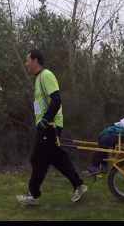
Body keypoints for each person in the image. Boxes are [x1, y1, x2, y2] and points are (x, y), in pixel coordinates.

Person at [17, 50, 87, 206]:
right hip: (47, 126)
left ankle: (33, 195)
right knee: (56, 158)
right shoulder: (38, 79)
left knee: (37, 159)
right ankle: (78, 185)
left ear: (35, 60)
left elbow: (56, 100)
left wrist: (46, 120)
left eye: (27, 60)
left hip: (49, 126)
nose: (26, 63)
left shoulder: (46, 75)